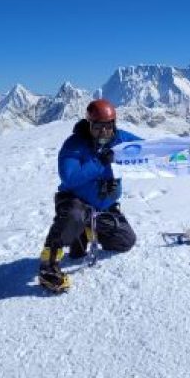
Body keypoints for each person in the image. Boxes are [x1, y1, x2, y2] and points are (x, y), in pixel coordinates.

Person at [37, 99, 143, 293]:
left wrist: (185, 151)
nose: (103, 131)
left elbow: (149, 149)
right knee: (74, 217)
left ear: (114, 125)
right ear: (89, 125)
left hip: (103, 207)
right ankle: (48, 265)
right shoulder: (74, 145)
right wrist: (99, 162)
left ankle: (87, 230)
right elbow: (69, 177)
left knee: (125, 241)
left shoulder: (120, 139)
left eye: (108, 126)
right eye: (97, 126)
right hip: (75, 202)